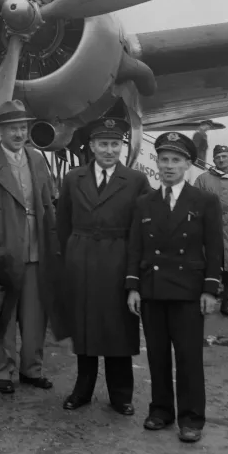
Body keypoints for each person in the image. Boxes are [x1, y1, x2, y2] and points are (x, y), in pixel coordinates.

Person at [126, 132, 223, 443]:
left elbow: (215, 248)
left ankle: (192, 418)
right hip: (153, 289)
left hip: (188, 291)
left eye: (176, 160)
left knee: (188, 356)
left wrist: (210, 289)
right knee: (156, 354)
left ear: (188, 164)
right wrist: (133, 287)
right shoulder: (144, 202)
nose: (168, 166)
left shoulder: (205, 201)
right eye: (163, 159)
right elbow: (135, 248)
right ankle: (161, 410)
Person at [56, 118, 151, 416]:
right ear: (92, 146)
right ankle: (82, 389)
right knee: (84, 327)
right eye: (103, 144)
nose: (109, 150)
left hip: (118, 259)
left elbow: (142, 230)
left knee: (118, 327)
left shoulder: (136, 181)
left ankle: (121, 394)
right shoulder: (73, 178)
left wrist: (135, 272)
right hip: (81, 258)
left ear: (122, 146)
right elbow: (63, 224)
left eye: (115, 144)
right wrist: (69, 257)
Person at [0, 100, 67, 395]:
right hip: (4, 251)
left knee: (36, 315)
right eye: (12, 128)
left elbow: (49, 201)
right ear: (0, 131)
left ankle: (32, 369)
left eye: (23, 128)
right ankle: (3, 371)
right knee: (3, 316)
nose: (18, 133)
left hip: (38, 249)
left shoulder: (38, 159)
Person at [193, 145, 228, 316]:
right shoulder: (203, 179)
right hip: (208, 229)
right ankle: (206, 298)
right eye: (218, 157)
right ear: (213, 160)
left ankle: (226, 302)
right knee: (206, 265)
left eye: (224, 156)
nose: (221, 160)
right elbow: (194, 203)